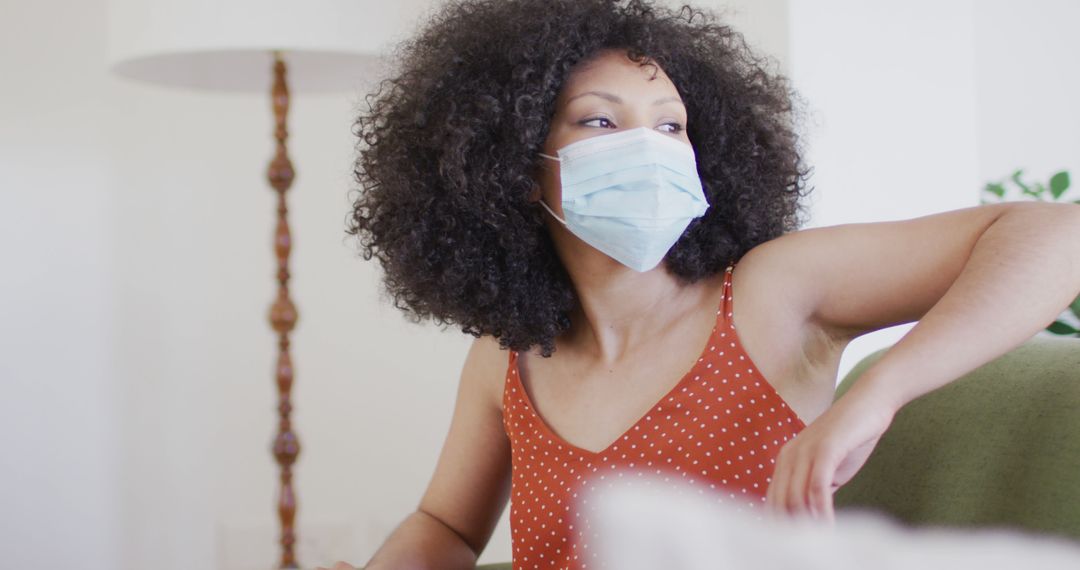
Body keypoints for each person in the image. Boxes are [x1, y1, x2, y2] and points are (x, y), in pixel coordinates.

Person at [323, 1, 1080, 568]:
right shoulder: (508, 356)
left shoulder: (770, 293)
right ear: (515, 166)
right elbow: (447, 528)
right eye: (599, 123)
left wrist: (879, 397)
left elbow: (1058, 235)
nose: (648, 150)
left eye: (671, 126)